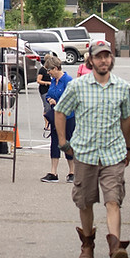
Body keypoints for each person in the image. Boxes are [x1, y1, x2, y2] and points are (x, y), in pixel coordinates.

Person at [55, 41, 130, 258]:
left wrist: (128, 147)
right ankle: (87, 244)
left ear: (112, 59)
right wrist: (63, 142)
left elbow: (126, 118)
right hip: (85, 154)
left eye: (107, 56)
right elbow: (60, 111)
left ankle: (115, 250)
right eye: (99, 57)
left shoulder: (122, 87)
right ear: (90, 60)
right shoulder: (78, 86)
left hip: (113, 153)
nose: (103, 61)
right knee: (85, 201)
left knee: (113, 200)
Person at [40, 55, 75, 183]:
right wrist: (50, 99)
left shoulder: (68, 80)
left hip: (68, 116)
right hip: (56, 116)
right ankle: (53, 172)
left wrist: (58, 101)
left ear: (56, 68)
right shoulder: (53, 81)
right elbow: (49, 94)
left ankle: (72, 172)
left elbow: (72, 99)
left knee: (67, 142)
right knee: (54, 142)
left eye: (49, 70)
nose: (48, 73)